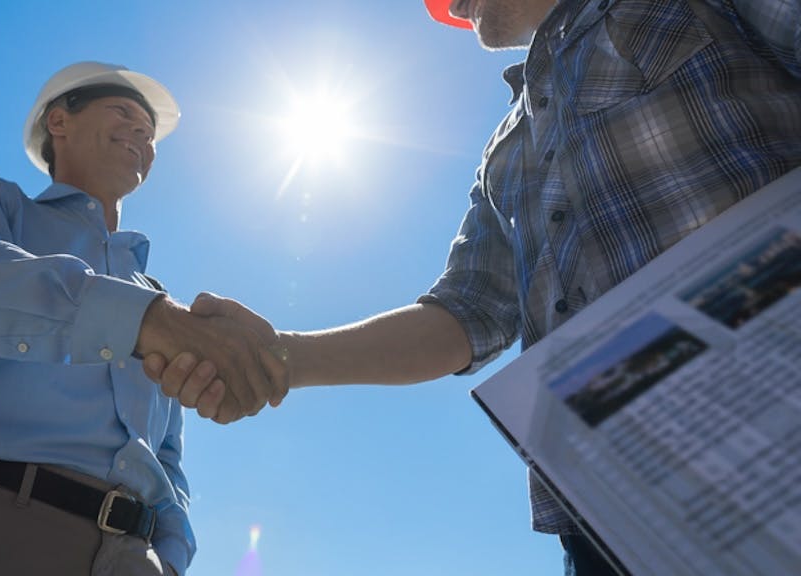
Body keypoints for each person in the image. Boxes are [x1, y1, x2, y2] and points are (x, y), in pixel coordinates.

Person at [144, 0, 801, 573]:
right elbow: (465, 314)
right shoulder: (503, 154)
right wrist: (276, 355)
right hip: (617, 501)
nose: (450, 8)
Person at [0, 61, 285, 576]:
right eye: (124, 112)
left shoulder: (156, 297)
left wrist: (168, 555)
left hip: (131, 556)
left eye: (150, 132)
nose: (143, 133)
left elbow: (165, 456)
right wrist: (142, 321)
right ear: (59, 122)